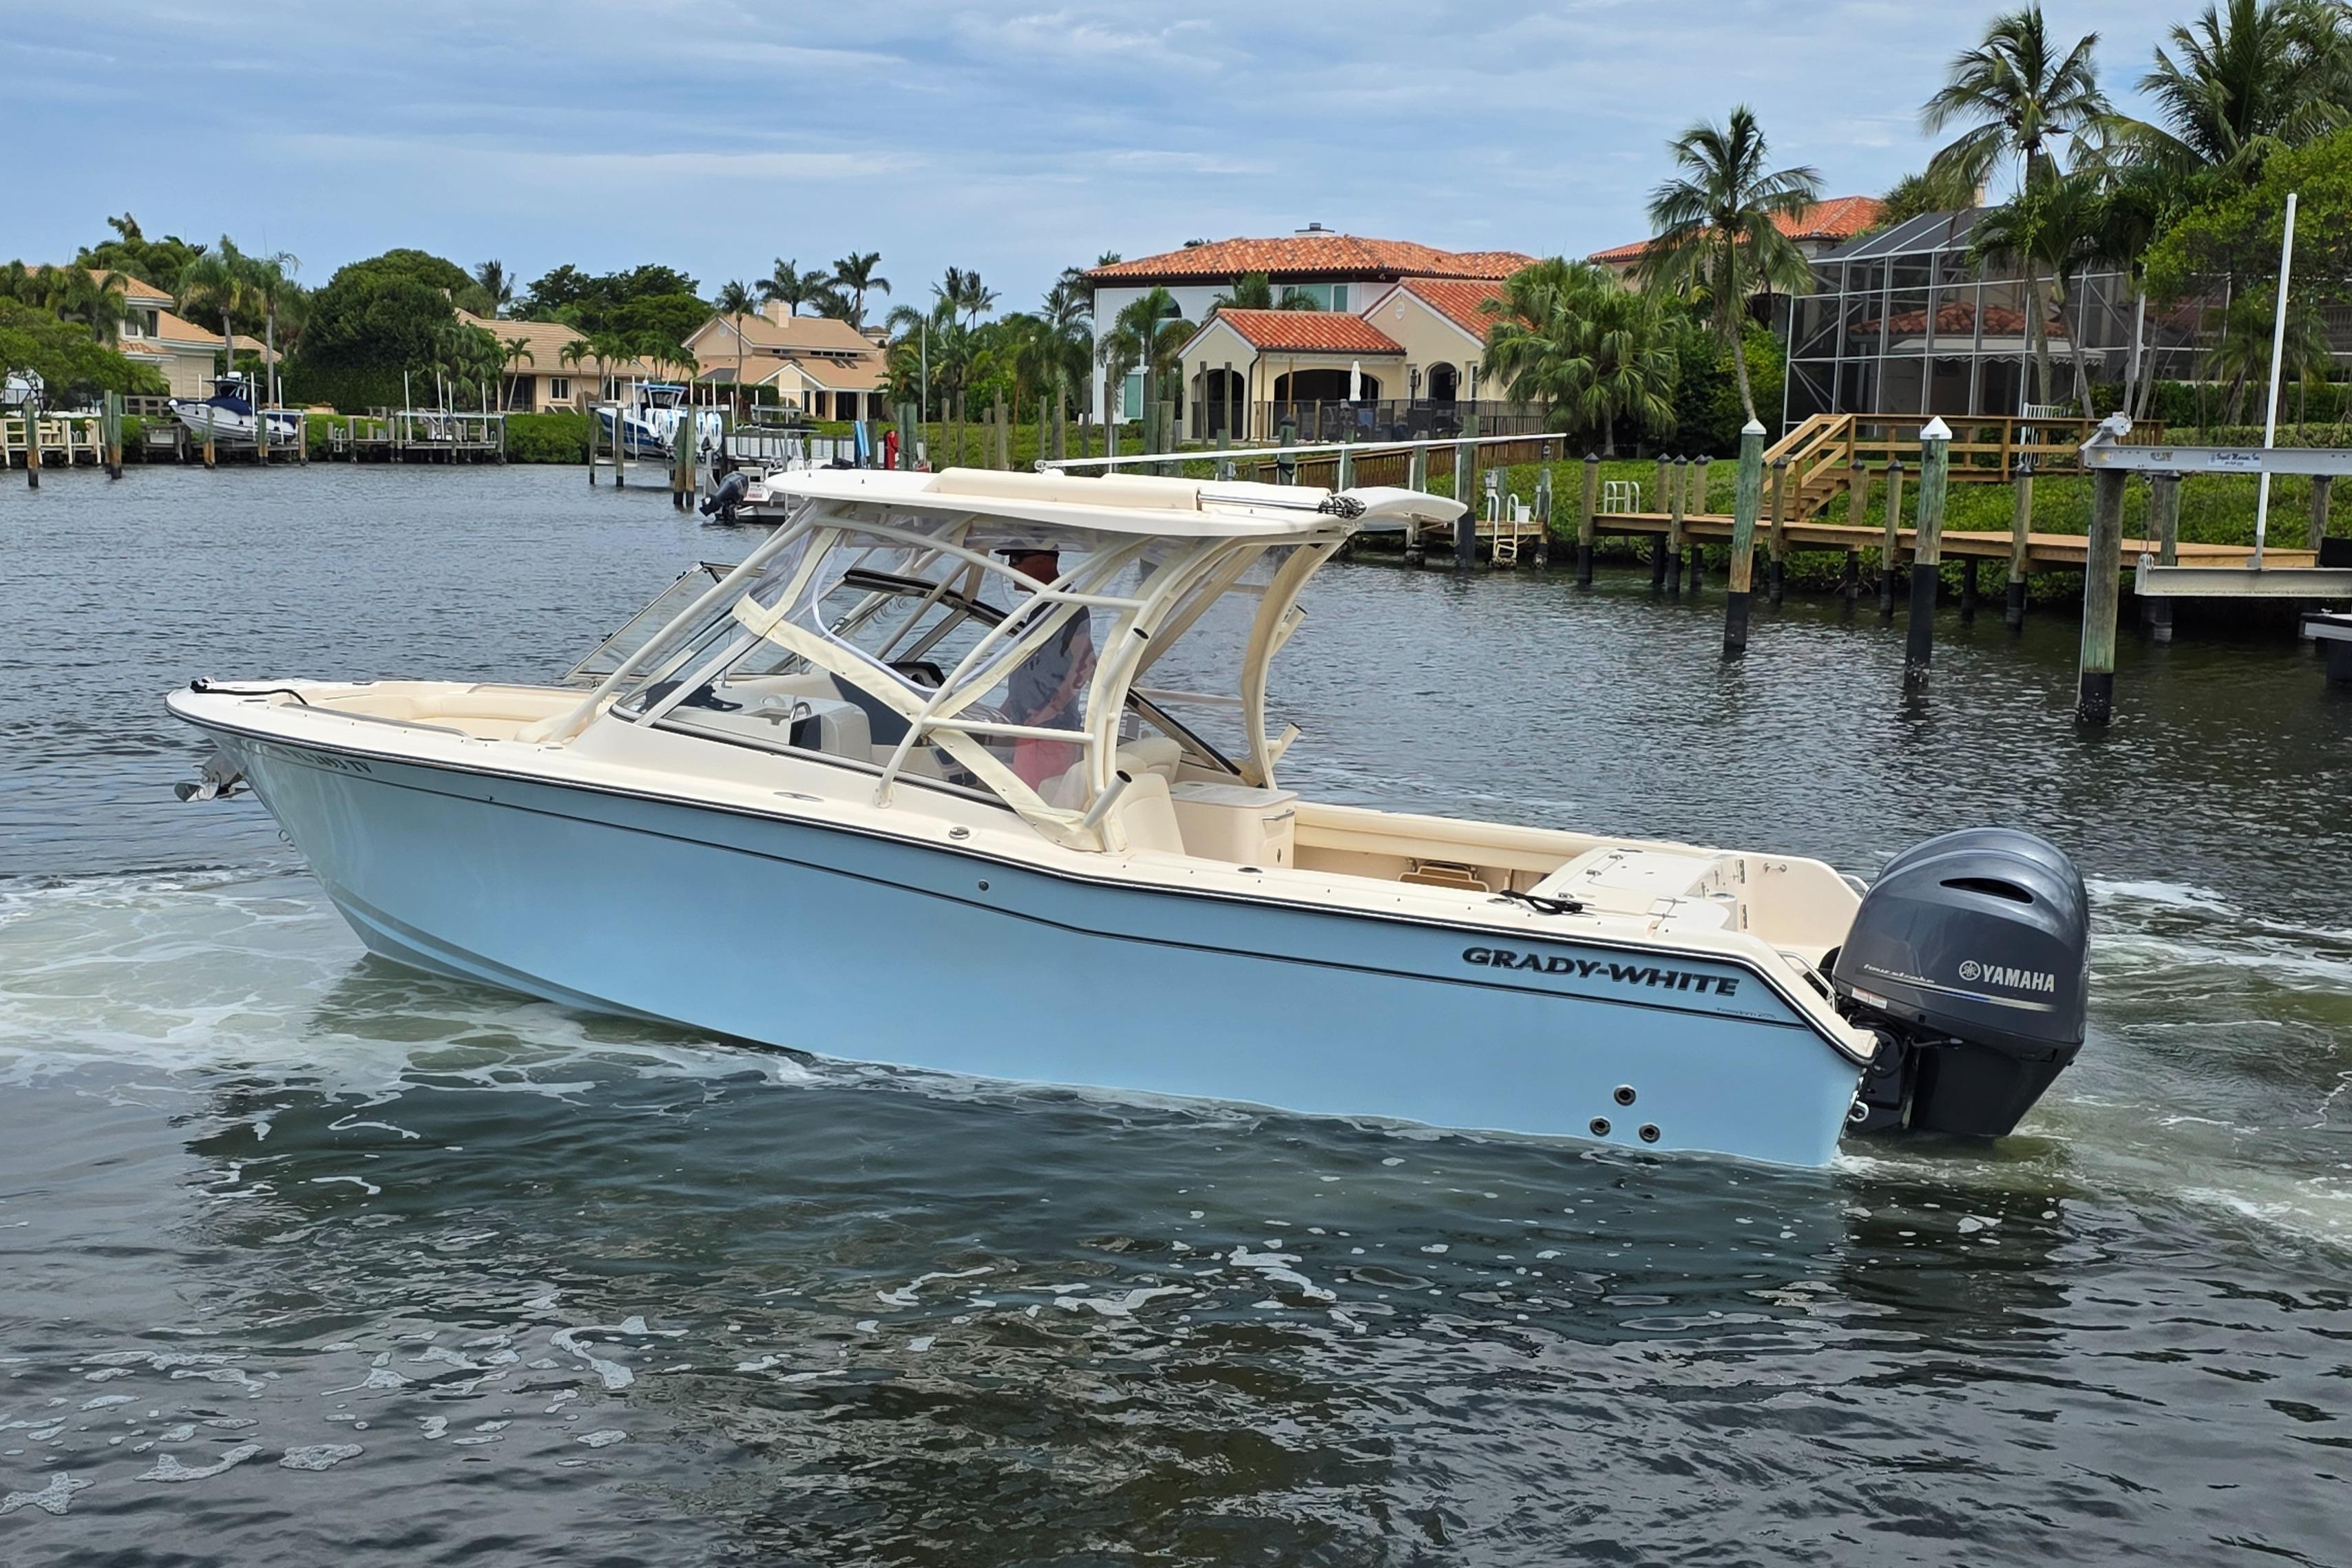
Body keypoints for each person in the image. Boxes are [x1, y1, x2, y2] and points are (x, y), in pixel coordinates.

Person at [1000, 548, 1094, 790]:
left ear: (1043, 560)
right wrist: (1010, 704)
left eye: (1016, 560)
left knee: (1034, 803)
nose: (1011, 568)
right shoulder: (1044, 605)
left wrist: (1050, 711)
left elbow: (1085, 665)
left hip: (1048, 733)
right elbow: (1036, 664)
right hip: (1032, 729)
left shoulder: (1068, 605)